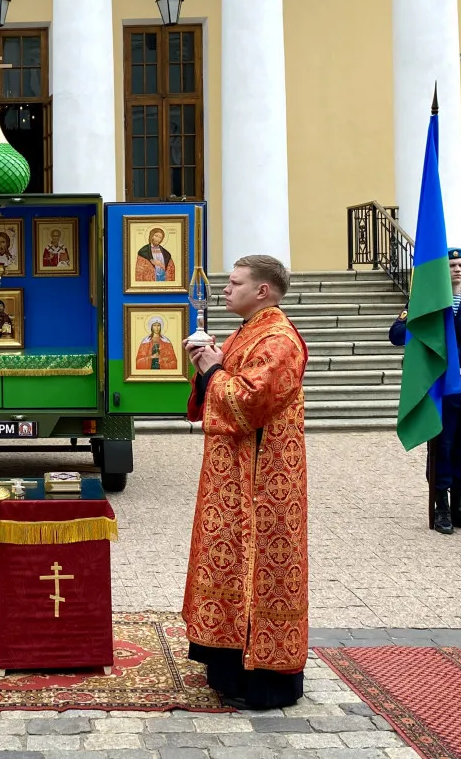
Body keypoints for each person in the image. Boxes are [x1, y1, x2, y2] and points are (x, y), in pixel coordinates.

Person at [182, 255, 308, 710]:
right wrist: (207, 364)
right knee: (228, 564)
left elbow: (248, 404)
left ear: (263, 291)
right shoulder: (246, 333)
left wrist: (214, 369)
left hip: (261, 486)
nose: (225, 290)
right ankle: (226, 668)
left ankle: (262, 681)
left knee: (259, 570)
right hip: (232, 481)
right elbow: (209, 400)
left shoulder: (279, 340)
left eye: (235, 284)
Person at [389, 247, 461, 535]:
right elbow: (396, 335)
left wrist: (448, 355)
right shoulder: (425, 305)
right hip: (440, 387)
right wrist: (419, 323)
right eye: (451, 266)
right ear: (441, 271)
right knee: (442, 447)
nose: (457, 270)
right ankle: (442, 508)